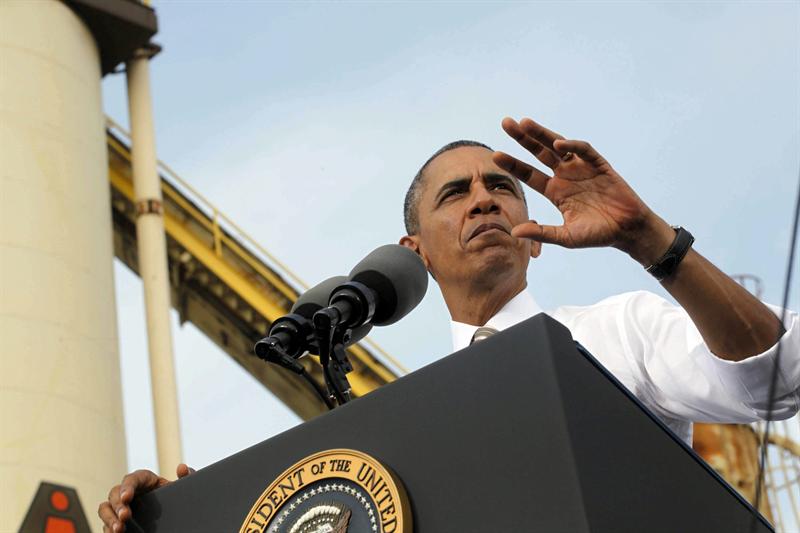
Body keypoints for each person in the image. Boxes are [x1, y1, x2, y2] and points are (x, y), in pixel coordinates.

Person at [98, 117, 799, 532]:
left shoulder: (617, 331)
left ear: (533, 239)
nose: (484, 201)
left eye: (502, 188)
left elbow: (778, 377)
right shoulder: (406, 440)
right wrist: (194, 515)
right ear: (417, 252)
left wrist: (650, 238)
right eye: (456, 194)